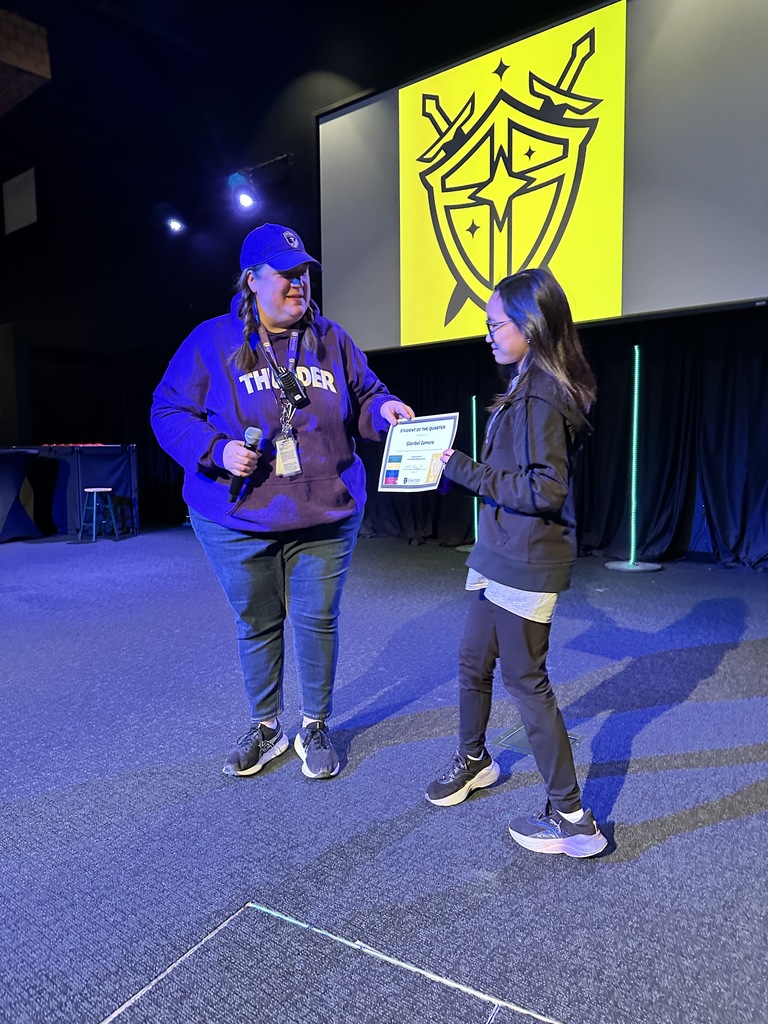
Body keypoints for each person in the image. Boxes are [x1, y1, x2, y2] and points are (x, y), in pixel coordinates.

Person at [151, 223, 414, 780]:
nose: (299, 284)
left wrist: (383, 410)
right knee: (257, 622)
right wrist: (216, 450)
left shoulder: (330, 338)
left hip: (325, 512)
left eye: (305, 274)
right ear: (252, 280)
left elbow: (366, 395)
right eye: (286, 274)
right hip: (236, 517)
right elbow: (168, 411)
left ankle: (314, 724)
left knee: (317, 621)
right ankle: (266, 727)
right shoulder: (212, 340)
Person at [425, 267, 607, 858]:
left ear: (529, 326)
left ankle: (573, 819)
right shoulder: (531, 383)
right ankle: (475, 759)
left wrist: (461, 469)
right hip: (501, 549)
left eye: (494, 324)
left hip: (526, 558)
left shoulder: (541, 394)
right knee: (471, 659)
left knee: (527, 683)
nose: (487, 335)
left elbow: (545, 488)